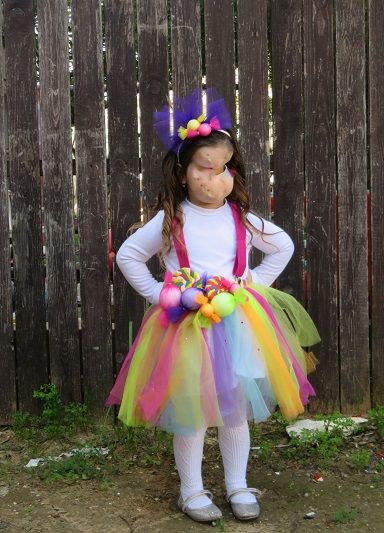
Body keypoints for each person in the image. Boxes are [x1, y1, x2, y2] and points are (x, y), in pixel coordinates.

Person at [106, 88, 320, 523]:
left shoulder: (240, 217)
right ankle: (192, 491)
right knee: (193, 413)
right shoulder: (172, 220)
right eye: (205, 168)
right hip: (186, 330)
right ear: (184, 173)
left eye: (223, 168)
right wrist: (162, 294)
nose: (216, 178)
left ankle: (238, 485)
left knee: (234, 410)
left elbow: (282, 246)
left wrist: (251, 283)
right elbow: (128, 256)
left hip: (239, 325)